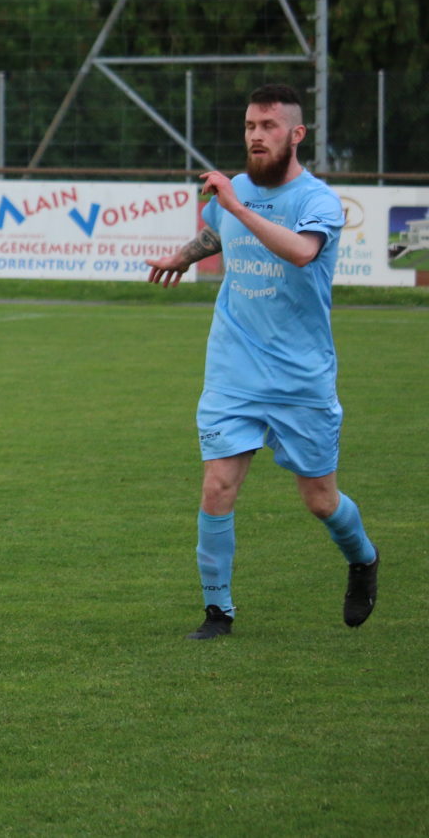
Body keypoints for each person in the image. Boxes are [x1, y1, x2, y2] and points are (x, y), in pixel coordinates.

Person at [146, 82, 377, 639]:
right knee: (217, 486)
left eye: (268, 126)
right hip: (234, 370)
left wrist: (236, 205)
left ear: (296, 134)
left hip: (300, 377)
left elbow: (301, 252)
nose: (256, 135)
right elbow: (217, 232)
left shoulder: (317, 201)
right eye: (250, 125)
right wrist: (183, 256)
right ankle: (217, 612)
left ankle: (363, 559)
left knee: (320, 501)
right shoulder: (237, 191)